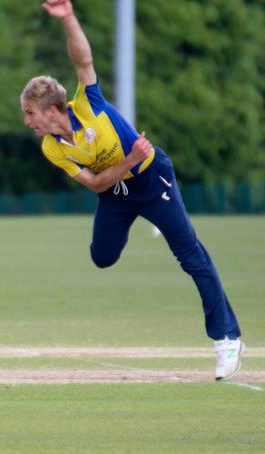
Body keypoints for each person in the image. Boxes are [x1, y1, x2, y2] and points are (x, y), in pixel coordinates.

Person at [21, 0, 243, 380]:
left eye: (30, 113)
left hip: (152, 180)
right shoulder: (52, 147)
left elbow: (83, 60)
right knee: (103, 257)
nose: (27, 122)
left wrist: (68, 18)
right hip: (115, 191)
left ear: (53, 109)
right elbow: (94, 183)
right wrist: (124, 162)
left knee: (190, 255)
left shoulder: (88, 104)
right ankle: (145, 220)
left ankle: (227, 339)